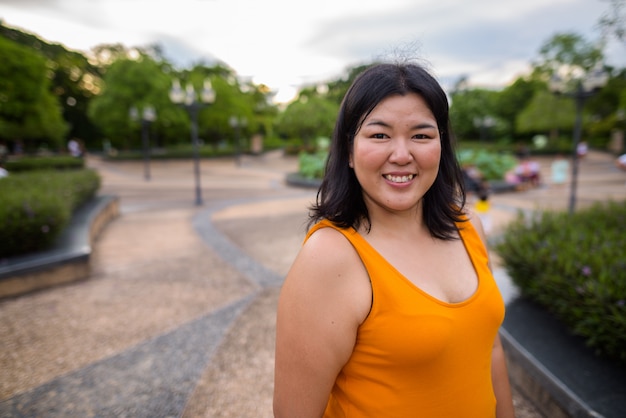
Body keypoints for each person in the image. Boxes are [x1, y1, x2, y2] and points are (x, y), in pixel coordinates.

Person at [274, 62, 515, 417]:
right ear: (350, 151)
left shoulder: (469, 228)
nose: (402, 155)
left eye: (421, 135)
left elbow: (489, 349)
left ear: (442, 145)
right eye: (379, 135)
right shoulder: (330, 257)